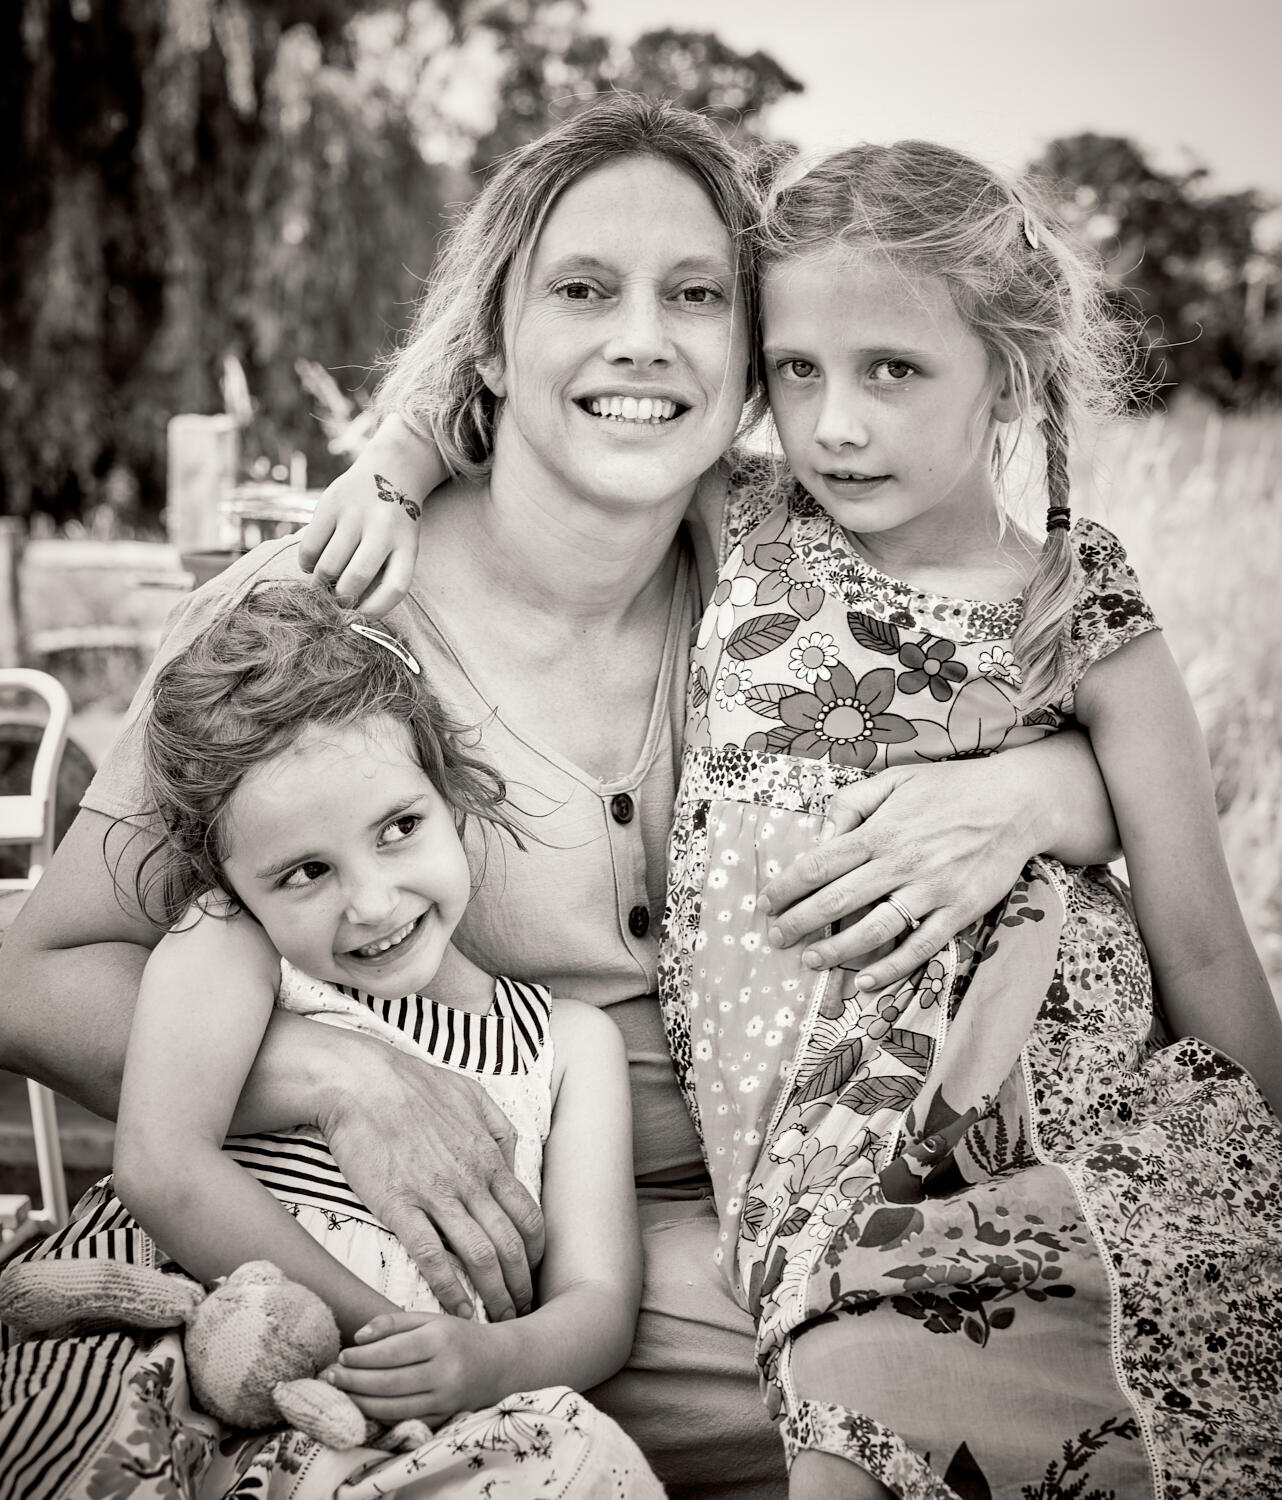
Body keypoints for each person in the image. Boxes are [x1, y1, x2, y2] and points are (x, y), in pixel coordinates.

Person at [0, 96, 1122, 1498]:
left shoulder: (812, 571)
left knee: (1078, 1330)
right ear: (492, 338)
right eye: (582, 289)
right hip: (459, 1251)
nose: (641, 339)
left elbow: (1107, 717)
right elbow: (38, 979)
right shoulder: (315, 622)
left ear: (751, 360)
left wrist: (1032, 793)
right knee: (971, 1375)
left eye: (696, 295)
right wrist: (343, 1076)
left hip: (800, 1201)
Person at [660, 143, 1282, 1498]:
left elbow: (1201, 943)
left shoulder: (1079, 606)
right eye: (795, 371)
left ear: (1008, 370)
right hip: (823, 1137)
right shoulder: (744, 520)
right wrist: (388, 474)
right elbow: (508, 415)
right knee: (858, 1400)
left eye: (893, 369)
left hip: (1064, 1108)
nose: (834, 424)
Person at [0, 583, 661, 1497]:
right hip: (181, 1334)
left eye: (399, 828)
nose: (374, 904)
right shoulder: (232, 947)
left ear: (452, 796)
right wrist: (378, 1330)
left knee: (588, 1466)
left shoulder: (568, 1045)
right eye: (306, 871)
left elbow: (599, 1302)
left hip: (417, 1409)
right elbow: (162, 1168)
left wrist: (489, 1362)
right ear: (229, 878)